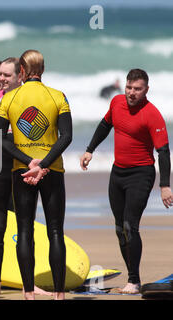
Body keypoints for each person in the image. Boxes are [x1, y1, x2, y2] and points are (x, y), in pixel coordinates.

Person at [80, 68, 173, 294]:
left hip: (141, 175)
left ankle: (134, 280)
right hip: (117, 173)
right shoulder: (116, 102)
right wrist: (89, 150)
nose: (132, 93)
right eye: (129, 88)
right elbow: (105, 126)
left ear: (146, 90)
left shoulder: (152, 114)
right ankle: (133, 279)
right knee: (119, 228)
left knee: (131, 225)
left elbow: (163, 152)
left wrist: (164, 186)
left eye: (137, 89)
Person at [0, 49, 72, 300]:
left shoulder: (8, 99)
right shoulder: (58, 96)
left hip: (22, 172)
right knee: (56, 231)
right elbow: (66, 136)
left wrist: (30, 162)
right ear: (44, 69)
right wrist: (45, 164)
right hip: (53, 172)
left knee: (24, 230)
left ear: (23, 72)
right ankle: (59, 294)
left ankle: (28, 292)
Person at [0, 57, 53, 297]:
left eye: (6, 76)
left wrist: (44, 163)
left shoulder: (29, 99)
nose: (1, 80)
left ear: (20, 75)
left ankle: (30, 282)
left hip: (23, 167)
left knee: (25, 226)